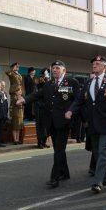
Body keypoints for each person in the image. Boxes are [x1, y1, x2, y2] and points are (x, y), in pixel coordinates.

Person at [18, 60, 80, 188]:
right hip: (51, 122)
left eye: (58, 68)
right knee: (58, 150)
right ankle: (65, 173)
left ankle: (54, 177)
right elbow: (37, 95)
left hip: (64, 122)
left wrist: (71, 111)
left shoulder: (71, 83)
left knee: (58, 150)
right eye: (54, 68)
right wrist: (24, 99)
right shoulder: (49, 84)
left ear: (64, 70)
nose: (55, 70)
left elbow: (78, 100)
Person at [66, 55, 106, 193]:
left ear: (104, 66)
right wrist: (70, 111)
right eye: (93, 64)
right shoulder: (88, 82)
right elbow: (79, 101)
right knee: (96, 152)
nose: (94, 65)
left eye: (98, 63)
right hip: (92, 124)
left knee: (103, 151)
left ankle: (97, 182)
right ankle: (104, 177)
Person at [34, 68, 50, 149]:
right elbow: (35, 97)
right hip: (39, 109)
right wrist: (41, 104)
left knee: (46, 127)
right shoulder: (37, 86)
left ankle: (44, 142)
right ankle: (39, 143)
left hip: (46, 109)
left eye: (44, 77)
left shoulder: (47, 85)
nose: (42, 78)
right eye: (42, 77)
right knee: (40, 127)